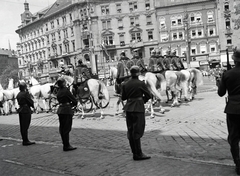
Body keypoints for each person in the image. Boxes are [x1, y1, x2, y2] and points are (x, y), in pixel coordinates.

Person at [217, 48, 240, 175]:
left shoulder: (228, 74)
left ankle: (238, 164)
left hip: (233, 109)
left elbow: (221, 93)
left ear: (234, 60)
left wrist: (220, 81)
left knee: (234, 138)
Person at [121, 65, 152, 161]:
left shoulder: (125, 84)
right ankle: (139, 154)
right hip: (138, 108)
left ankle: (134, 153)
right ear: (138, 73)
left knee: (130, 130)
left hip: (129, 108)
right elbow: (149, 95)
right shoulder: (140, 83)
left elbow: (123, 97)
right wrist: (143, 100)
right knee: (138, 130)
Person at [56, 77, 78, 151]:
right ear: (63, 83)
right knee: (67, 128)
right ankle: (67, 145)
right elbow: (74, 100)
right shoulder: (66, 90)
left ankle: (65, 144)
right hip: (66, 110)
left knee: (62, 128)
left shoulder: (58, 91)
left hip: (60, 110)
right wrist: (73, 103)